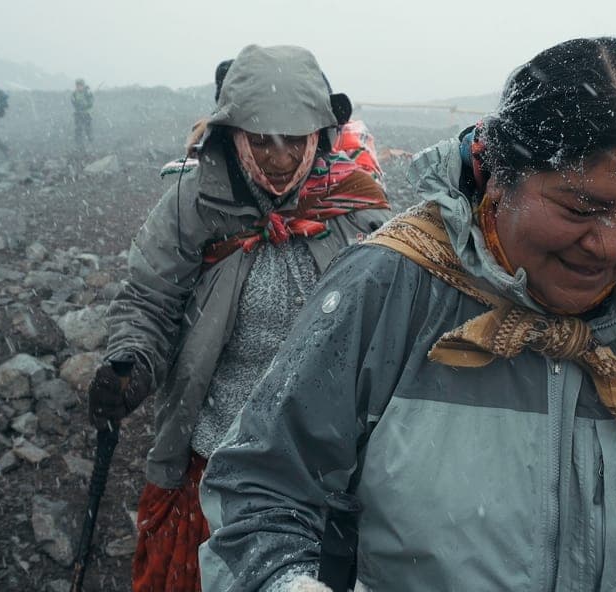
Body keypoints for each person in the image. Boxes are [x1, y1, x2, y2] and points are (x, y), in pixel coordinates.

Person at [198, 38, 616, 591]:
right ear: (500, 178)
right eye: (581, 207)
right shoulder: (394, 287)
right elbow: (260, 486)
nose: (611, 244)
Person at [88, 44, 394, 592]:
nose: (278, 161)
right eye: (262, 142)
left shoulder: (358, 214)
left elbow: (387, 325)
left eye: (293, 143)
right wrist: (130, 361)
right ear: (232, 135)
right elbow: (151, 300)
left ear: (319, 137)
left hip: (321, 465)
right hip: (216, 454)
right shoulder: (193, 206)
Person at [71, 78, 95, 150]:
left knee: (88, 130)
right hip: (78, 114)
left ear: (83, 85)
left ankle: (90, 144)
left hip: (87, 114)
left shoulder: (87, 92)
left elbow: (91, 102)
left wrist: (86, 104)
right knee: (78, 129)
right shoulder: (74, 93)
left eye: (80, 85)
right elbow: (73, 102)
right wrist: (79, 105)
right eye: (77, 85)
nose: (78, 87)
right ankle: (79, 146)